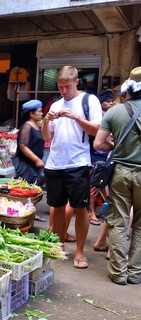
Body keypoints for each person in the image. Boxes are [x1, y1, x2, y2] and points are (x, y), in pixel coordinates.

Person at [42, 66, 102, 269]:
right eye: (60, 87)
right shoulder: (55, 104)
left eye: (67, 86)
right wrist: (45, 121)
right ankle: (59, 245)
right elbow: (46, 137)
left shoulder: (88, 101)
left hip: (78, 163)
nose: (64, 91)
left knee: (80, 208)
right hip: (55, 163)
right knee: (57, 206)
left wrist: (76, 117)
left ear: (77, 82)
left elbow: (97, 130)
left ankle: (79, 251)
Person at [93, 66, 141, 285]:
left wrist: (115, 144)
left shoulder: (115, 111)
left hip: (121, 173)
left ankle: (118, 273)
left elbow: (99, 143)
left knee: (119, 221)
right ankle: (136, 273)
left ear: (128, 88)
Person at [13, 100, 46, 222]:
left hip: (33, 163)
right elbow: (23, 146)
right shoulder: (27, 126)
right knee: (26, 189)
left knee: (34, 188)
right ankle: (23, 214)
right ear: (31, 113)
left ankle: (32, 213)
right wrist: (36, 159)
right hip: (25, 163)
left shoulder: (36, 126)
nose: (41, 114)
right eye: (39, 111)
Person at [88, 90, 115, 226]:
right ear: (100, 104)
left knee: (101, 186)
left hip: (106, 156)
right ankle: (91, 212)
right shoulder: (100, 118)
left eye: (112, 101)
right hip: (97, 156)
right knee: (95, 186)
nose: (111, 103)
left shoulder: (111, 115)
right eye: (108, 101)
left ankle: (93, 211)